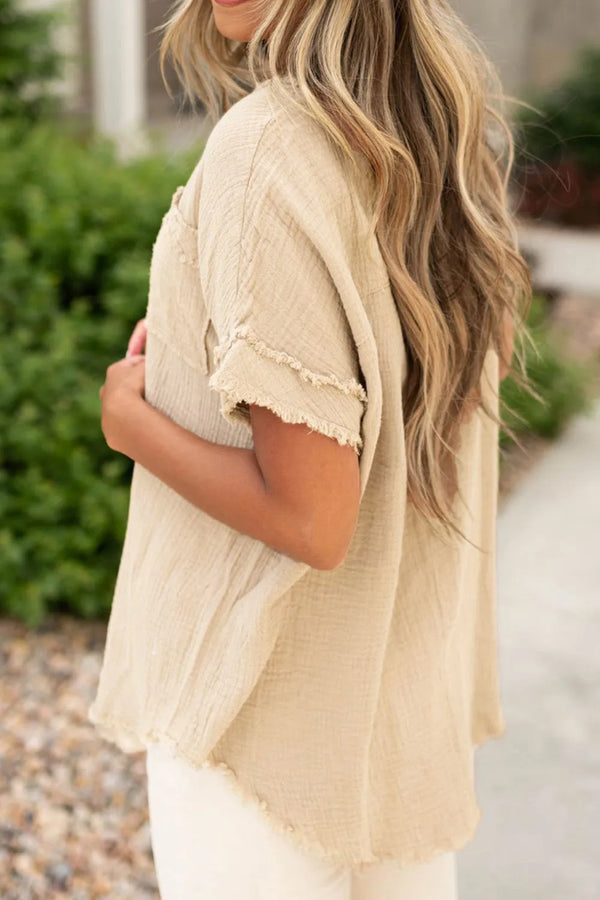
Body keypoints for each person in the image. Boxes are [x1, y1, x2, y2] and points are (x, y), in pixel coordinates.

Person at [89, 0, 533, 896]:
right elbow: (400, 385)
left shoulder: (266, 149)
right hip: (391, 709)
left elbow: (310, 518)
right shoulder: (441, 138)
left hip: (262, 724)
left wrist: (129, 421)